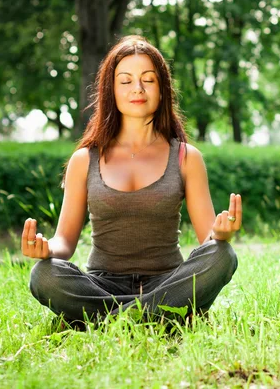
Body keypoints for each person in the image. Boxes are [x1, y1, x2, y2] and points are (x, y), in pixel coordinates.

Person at [22, 35, 241, 326]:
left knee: (223, 256)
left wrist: (220, 234)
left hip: (167, 283)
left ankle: (110, 322)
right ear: (110, 91)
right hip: (102, 288)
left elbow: (208, 242)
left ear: (162, 89)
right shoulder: (84, 159)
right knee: (44, 275)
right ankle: (156, 318)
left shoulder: (186, 157)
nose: (137, 88)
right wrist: (47, 249)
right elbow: (64, 242)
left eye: (148, 80)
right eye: (125, 81)